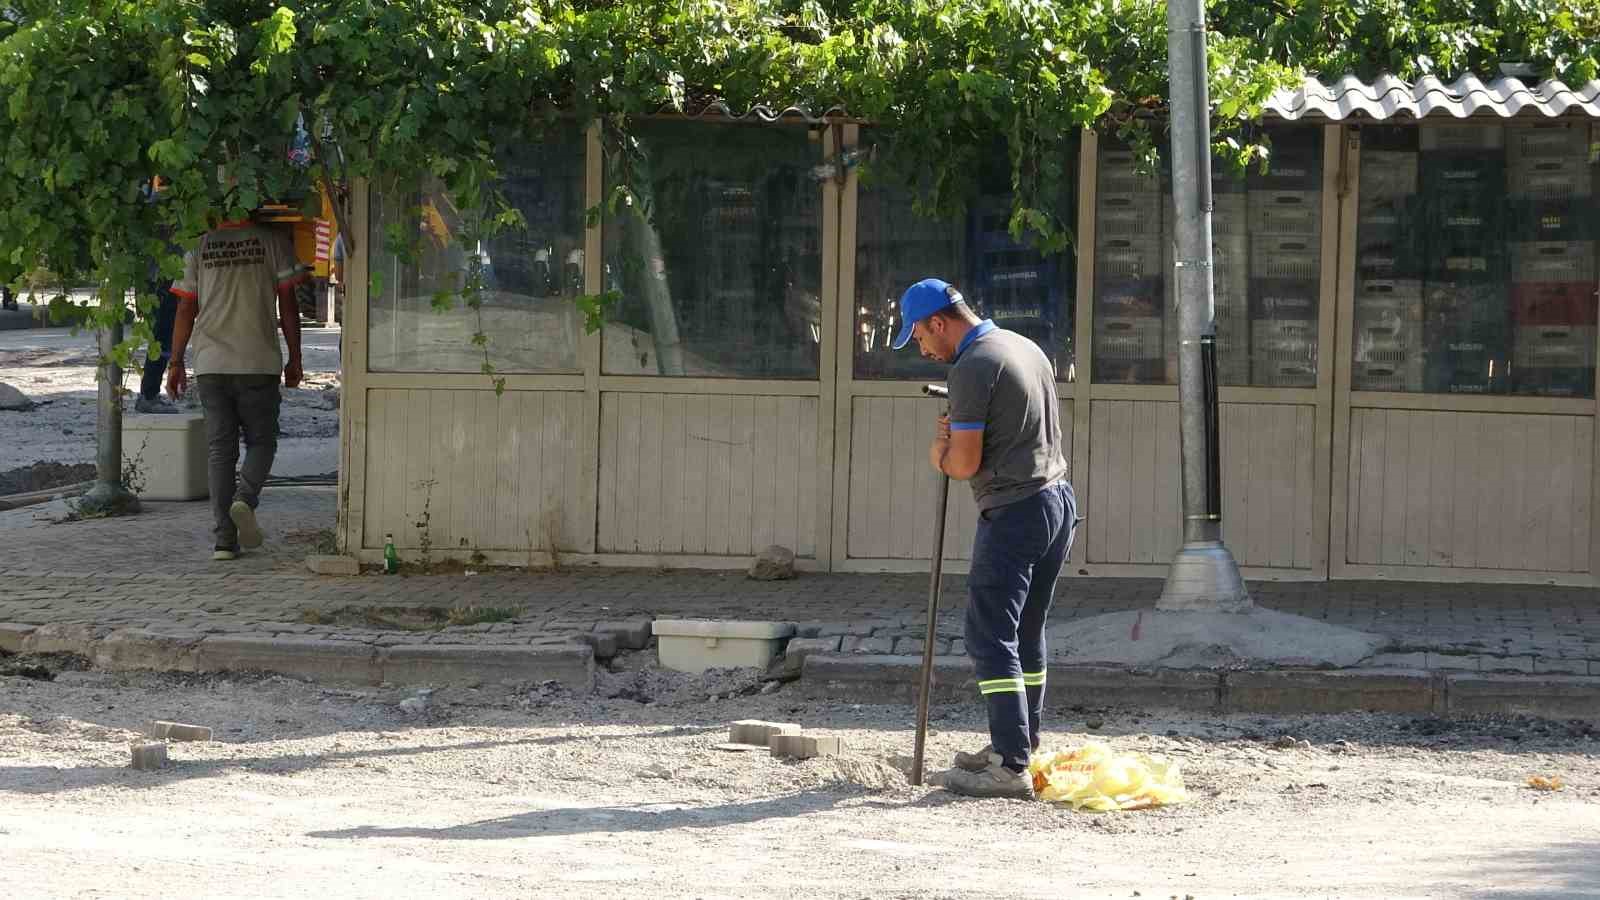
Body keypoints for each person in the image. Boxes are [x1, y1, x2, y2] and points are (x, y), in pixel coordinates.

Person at [892, 276, 1077, 800]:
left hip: (1015, 511)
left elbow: (963, 462)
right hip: (1057, 501)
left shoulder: (971, 366)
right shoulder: (1022, 345)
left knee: (990, 637)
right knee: (1026, 633)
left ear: (938, 322)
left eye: (921, 337)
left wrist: (938, 450)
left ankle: (1009, 766)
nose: (924, 349)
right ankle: (1018, 745)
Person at [166, 216, 307, 561]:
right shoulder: (274, 242)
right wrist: (295, 359)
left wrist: (175, 361)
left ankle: (224, 542)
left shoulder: (199, 246)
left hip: (211, 364)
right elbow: (289, 306)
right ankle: (245, 498)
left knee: (220, 452)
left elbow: (186, 306)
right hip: (258, 361)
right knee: (261, 441)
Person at [134, 278, 181, 413]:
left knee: (162, 339)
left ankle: (149, 394)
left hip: (162, 282)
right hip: (163, 283)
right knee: (161, 339)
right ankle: (149, 395)